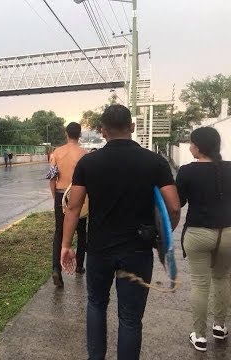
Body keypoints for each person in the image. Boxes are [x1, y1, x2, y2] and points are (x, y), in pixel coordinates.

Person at [61, 104, 180, 360]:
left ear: (103, 131)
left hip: (98, 250)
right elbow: (173, 205)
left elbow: (73, 208)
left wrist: (65, 245)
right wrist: (164, 236)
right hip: (137, 251)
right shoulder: (155, 162)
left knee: (96, 304)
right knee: (130, 318)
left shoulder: (88, 163)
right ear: (133, 127)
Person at [176, 127, 231, 351]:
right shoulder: (230, 168)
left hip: (198, 234)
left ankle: (199, 336)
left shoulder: (187, 171)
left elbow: (178, 203)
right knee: (222, 278)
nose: (189, 146)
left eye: (191, 143)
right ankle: (220, 326)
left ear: (198, 146)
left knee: (200, 283)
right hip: (228, 233)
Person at [47, 122, 88, 287]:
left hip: (60, 194)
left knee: (59, 232)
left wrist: (55, 196)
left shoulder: (57, 152)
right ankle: (79, 266)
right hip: (79, 195)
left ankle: (56, 269)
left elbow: (52, 177)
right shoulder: (84, 154)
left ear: (66, 134)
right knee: (81, 232)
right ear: (79, 135)